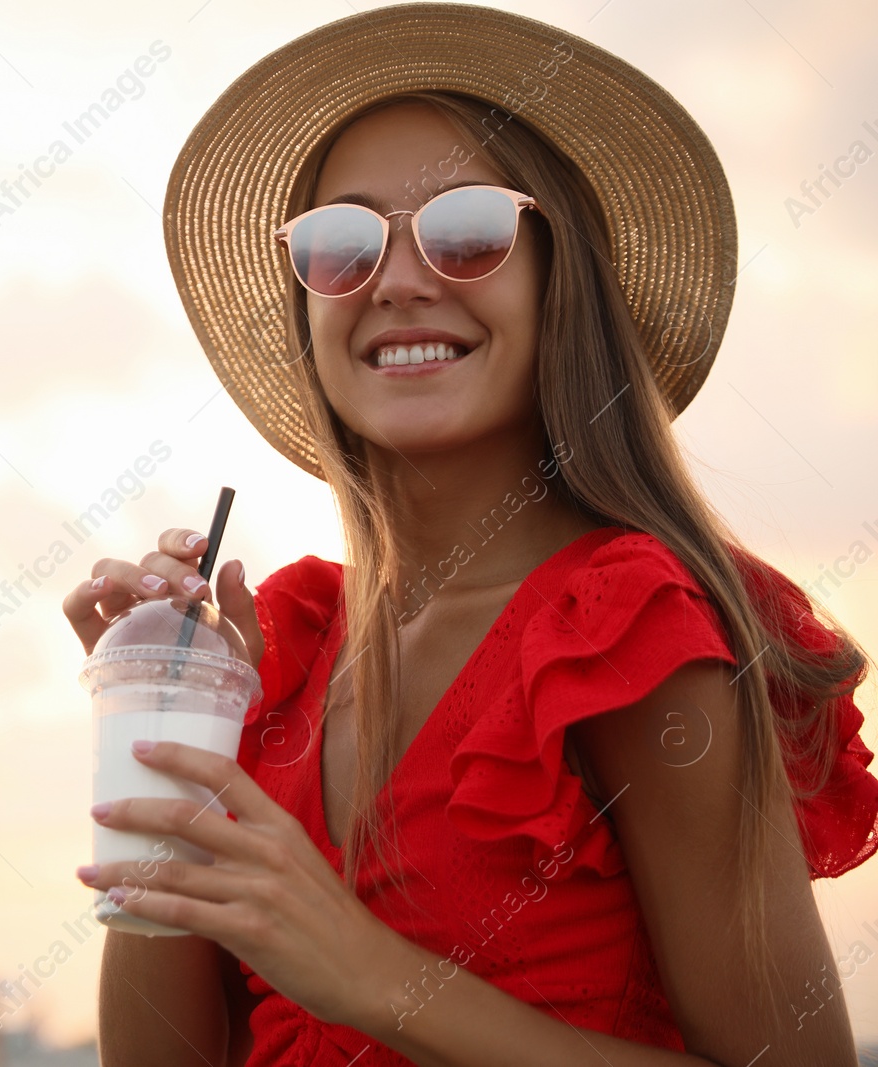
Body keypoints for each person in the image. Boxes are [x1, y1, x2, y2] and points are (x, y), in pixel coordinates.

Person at [62, 5, 878, 1065]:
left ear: (556, 280)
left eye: (465, 231)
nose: (400, 281)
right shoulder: (289, 657)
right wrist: (172, 735)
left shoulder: (624, 632)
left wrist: (370, 974)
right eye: (342, 245)